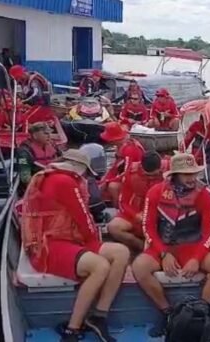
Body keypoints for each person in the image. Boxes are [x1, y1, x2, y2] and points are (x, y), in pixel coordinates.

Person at [18, 149, 131, 342]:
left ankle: (99, 316)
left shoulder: (51, 176)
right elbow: (84, 218)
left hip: (61, 240)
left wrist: (91, 243)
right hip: (49, 246)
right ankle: (73, 328)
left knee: (121, 252)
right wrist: (93, 243)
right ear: (79, 168)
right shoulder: (65, 182)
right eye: (86, 173)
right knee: (100, 266)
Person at [131, 153, 210, 337]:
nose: (192, 178)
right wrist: (163, 254)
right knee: (139, 266)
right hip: (163, 246)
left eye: (194, 173)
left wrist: (196, 259)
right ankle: (167, 313)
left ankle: (200, 313)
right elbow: (148, 228)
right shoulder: (155, 193)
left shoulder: (204, 196)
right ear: (175, 175)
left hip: (192, 245)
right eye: (186, 174)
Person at [107, 151, 168, 252]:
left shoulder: (170, 170)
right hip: (138, 213)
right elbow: (123, 202)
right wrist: (135, 215)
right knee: (113, 227)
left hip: (160, 215)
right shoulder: (131, 174)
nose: (152, 177)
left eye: (155, 175)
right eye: (148, 175)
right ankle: (140, 247)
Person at [99, 123, 145, 206]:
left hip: (138, 177)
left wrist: (108, 181)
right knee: (103, 179)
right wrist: (105, 180)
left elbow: (127, 173)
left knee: (112, 186)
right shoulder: (121, 146)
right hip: (128, 174)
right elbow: (115, 168)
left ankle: (119, 207)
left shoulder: (129, 149)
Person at [17, 122, 62, 186]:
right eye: (45, 134)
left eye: (50, 133)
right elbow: (25, 177)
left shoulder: (52, 145)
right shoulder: (24, 152)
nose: (49, 136)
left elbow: (62, 159)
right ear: (35, 135)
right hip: (37, 181)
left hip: (54, 177)